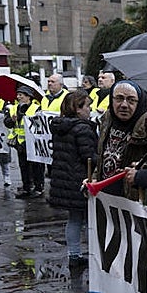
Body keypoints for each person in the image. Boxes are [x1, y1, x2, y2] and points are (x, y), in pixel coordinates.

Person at [48, 91, 98, 267]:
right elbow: (89, 157)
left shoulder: (60, 126)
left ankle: (74, 255)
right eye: (87, 105)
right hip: (79, 180)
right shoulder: (83, 128)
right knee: (88, 220)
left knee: (74, 219)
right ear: (78, 109)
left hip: (65, 180)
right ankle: (92, 255)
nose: (90, 109)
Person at [96, 80, 147, 198]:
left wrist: (140, 171)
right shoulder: (106, 120)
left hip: (130, 199)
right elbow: (101, 156)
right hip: (104, 196)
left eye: (131, 100)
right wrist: (94, 178)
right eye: (119, 98)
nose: (124, 105)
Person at [5, 87, 45, 197]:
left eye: (21, 95)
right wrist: (12, 120)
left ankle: (38, 187)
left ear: (28, 96)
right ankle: (26, 187)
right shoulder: (14, 108)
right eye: (18, 95)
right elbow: (7, 123)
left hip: (33, 142)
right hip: (20, 142)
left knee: (36, 166)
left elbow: (41, 123)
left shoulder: (36, 108)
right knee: (23, 166)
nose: (18, 97)